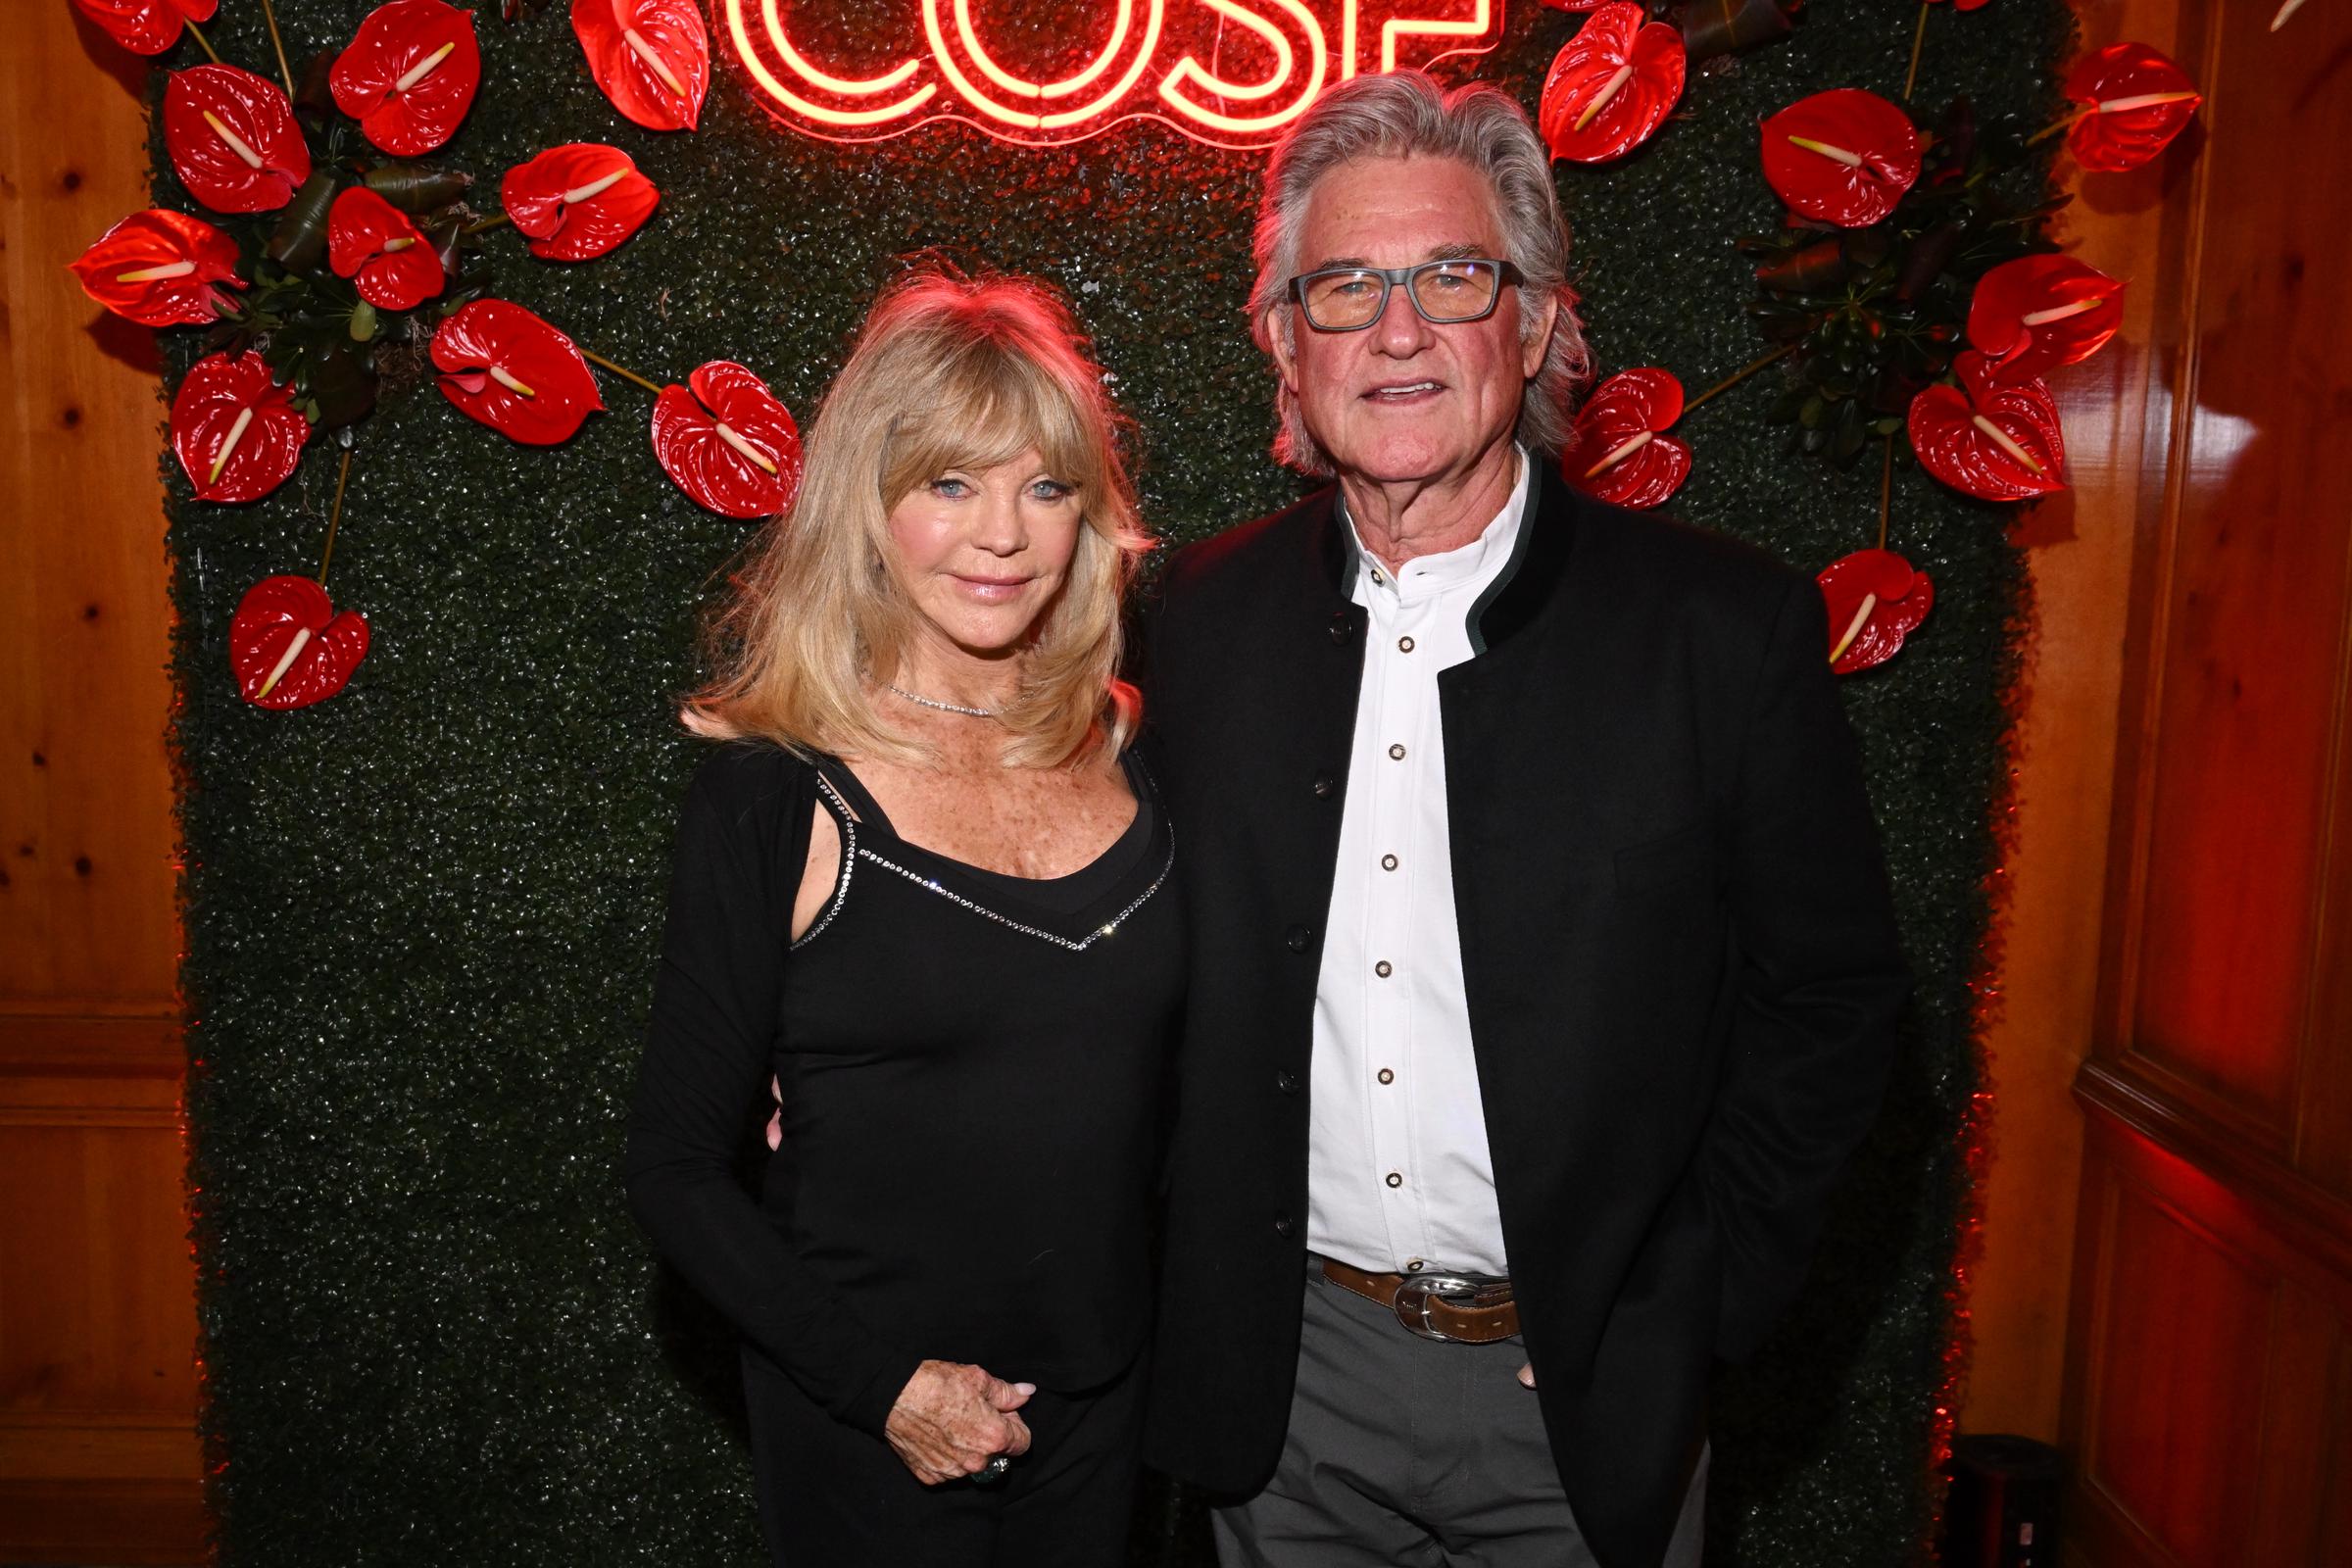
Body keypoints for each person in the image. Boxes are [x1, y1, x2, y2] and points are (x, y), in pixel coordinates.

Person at [1138, 72, 1910, 1568]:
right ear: (1285, 342)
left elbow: (1834, 1004)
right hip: (1280, 1399)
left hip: (1578, 1407)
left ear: (1541, 323)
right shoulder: (1192, 620)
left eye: (1453, 275)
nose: (1400, 329)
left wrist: (1690, 1305)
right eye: (1346, 286)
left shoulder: (1720, 629)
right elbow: (1101, 944)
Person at [624, 268, 1178, 1567]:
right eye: (949, 484)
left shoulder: (1140, 753)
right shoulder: (774, 794)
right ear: (867, 508)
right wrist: (884, 1387)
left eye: (1046, 488)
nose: (1004, 535)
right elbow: (676, 1168)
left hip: (1114, 1410)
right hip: (872, 1426)